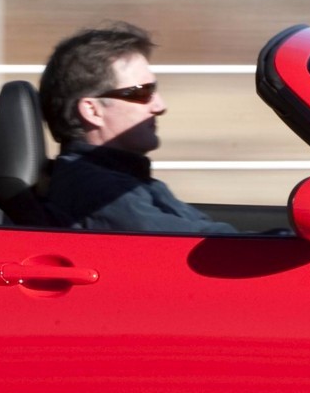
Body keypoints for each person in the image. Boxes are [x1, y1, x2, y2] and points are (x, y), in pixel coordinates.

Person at [37, 22, 241, 234]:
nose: (160, 106)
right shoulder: (97, 190)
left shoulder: (126, 179)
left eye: (155, 90)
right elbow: (197, 244)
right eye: (142, 93)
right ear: (92, 110)